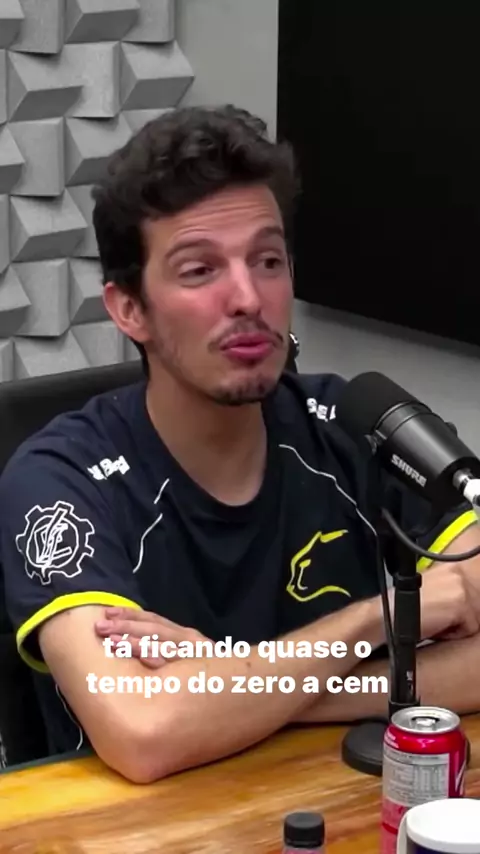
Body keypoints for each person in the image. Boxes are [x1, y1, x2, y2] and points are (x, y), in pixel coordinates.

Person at [0, 105, 479, 784]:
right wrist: (380, 620)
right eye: (200, 271)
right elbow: (144, 730)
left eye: (268, 260)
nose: (249, 297)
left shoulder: (354, 424)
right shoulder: (60, 479)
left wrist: (234, 678)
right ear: (129, 309)